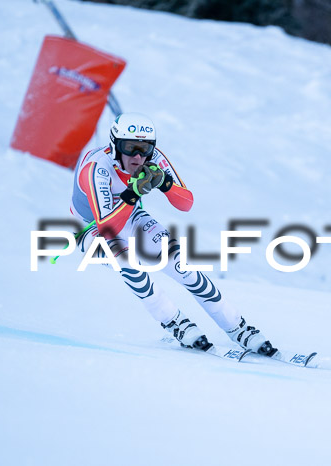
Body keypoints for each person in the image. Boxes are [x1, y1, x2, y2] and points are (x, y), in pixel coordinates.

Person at [70, 112, 276, 356]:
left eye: (145, 148)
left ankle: (237, 327)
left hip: (129, 216)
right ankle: (174, 321)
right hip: (91, 226)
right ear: (115, 145)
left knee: (183, 267)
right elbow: (107, 226)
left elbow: (185, 203)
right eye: (130, 147)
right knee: (128, 264)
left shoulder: (153, 157)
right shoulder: (96, 169)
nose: (138, 156)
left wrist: (165, 184)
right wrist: (133, 194)